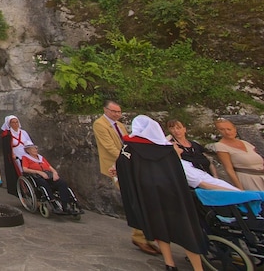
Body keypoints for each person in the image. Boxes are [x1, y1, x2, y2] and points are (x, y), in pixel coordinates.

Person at [114, 116, 206, 271]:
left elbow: (122, 168)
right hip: (173, 194)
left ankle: (169, 263)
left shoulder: (129, 148)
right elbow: (178, 174)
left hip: (148, 194)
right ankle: (198, 268)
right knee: (186, 229)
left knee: (160, 227)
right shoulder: (168, 149)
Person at [93, 100, 159, 256]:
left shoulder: (120, 125)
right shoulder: (100, 124)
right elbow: (109, 147)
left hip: (128, 165)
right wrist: (127, 159)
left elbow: (128, 143)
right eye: (113, 111)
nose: (116, 114)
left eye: (118, 112)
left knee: (140, 197)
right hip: (117, 167)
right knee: (134, 198)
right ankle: (140, 236)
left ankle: (146, 234)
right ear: (105, 110)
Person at [208, 118, 264, 191]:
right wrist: (240, 188)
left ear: (234, 129)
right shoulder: (221, 146)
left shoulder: (245, 143)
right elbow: (229, 169)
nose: (227, 132)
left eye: (229, 129)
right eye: (222, 129)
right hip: (248, 179)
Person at [20, 144, 77, 214]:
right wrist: (39, 172)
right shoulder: (25, 158)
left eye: (36, 148)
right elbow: (25, 169)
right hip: (37, 176)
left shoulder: (41, 158)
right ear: (28, 150)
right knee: (44, 184)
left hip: (48, 175)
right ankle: (53, 203)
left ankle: (65, 205)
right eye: (33, 149)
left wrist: (55, 173)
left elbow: (50, 167)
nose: (35, 150)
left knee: (62, 183)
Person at [1, 115, 34, 195]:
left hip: (26, 154)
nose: (15, 124)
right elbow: (8, 148)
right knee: (21, 172)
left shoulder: (23, 132)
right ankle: (24, 189)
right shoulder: (7, 135)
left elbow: (29, 143)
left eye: (16, 122)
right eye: (13, 122)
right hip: (16, 156)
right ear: (9, 124)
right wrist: (13, 156)